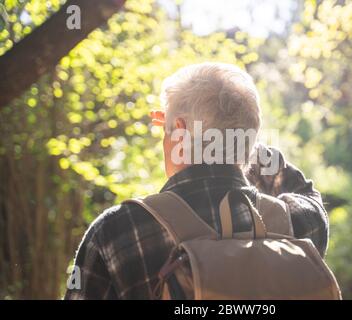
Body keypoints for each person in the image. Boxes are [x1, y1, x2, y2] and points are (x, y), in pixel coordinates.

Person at [64, 62, 329, 300]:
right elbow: (309, 197)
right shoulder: (295, 225)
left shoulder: (115, 233)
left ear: (179, 132)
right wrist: (239, 139)